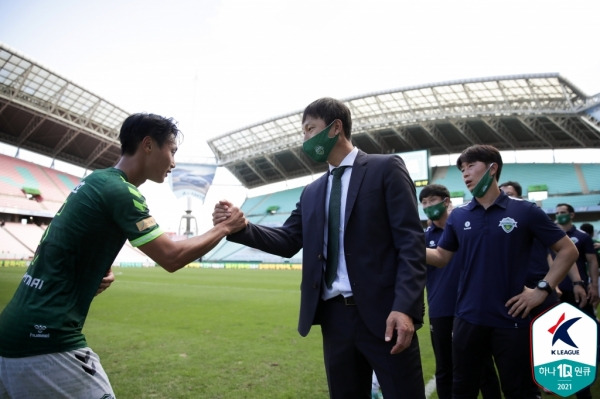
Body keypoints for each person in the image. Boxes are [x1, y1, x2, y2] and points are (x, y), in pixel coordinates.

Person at [0, 113, 247, 399]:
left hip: (14, 332)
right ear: (148, 145)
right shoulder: (120, 190)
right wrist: (225, 227)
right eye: (172, 151)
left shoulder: (96, 181)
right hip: (46, 340)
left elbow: (56, 254)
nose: (174, 163)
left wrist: (88, 277)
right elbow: (172, 257)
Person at [213, 97, 427, 399]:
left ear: (335, 127)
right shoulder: (313, 191)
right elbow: (288, 240)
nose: (304, 139)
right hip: (334, 318)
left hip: (385, 314)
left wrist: (405, 307)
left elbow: (410, 242)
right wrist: (242, 228)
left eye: (309, 129)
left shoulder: (385, 169)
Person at [425, 144, 578, 399]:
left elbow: (567, 250)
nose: (465, 173)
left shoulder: (525, 211)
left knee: (519, 391)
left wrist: (542, 289)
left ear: (492, 168)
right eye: (462, 168)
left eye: (471, 166)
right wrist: (406, 248)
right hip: (467, 318)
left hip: (512, 318)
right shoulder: (458, 216)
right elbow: (441, 257)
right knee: (462, 390)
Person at [420, 184, 501, 399]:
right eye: (424, 203)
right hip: (440, 309)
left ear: (447, 201)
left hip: (472, 306)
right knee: (445, 366)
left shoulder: (466, 228)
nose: (428, 206)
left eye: (432, 201)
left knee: (482, 364)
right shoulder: (424, 237)